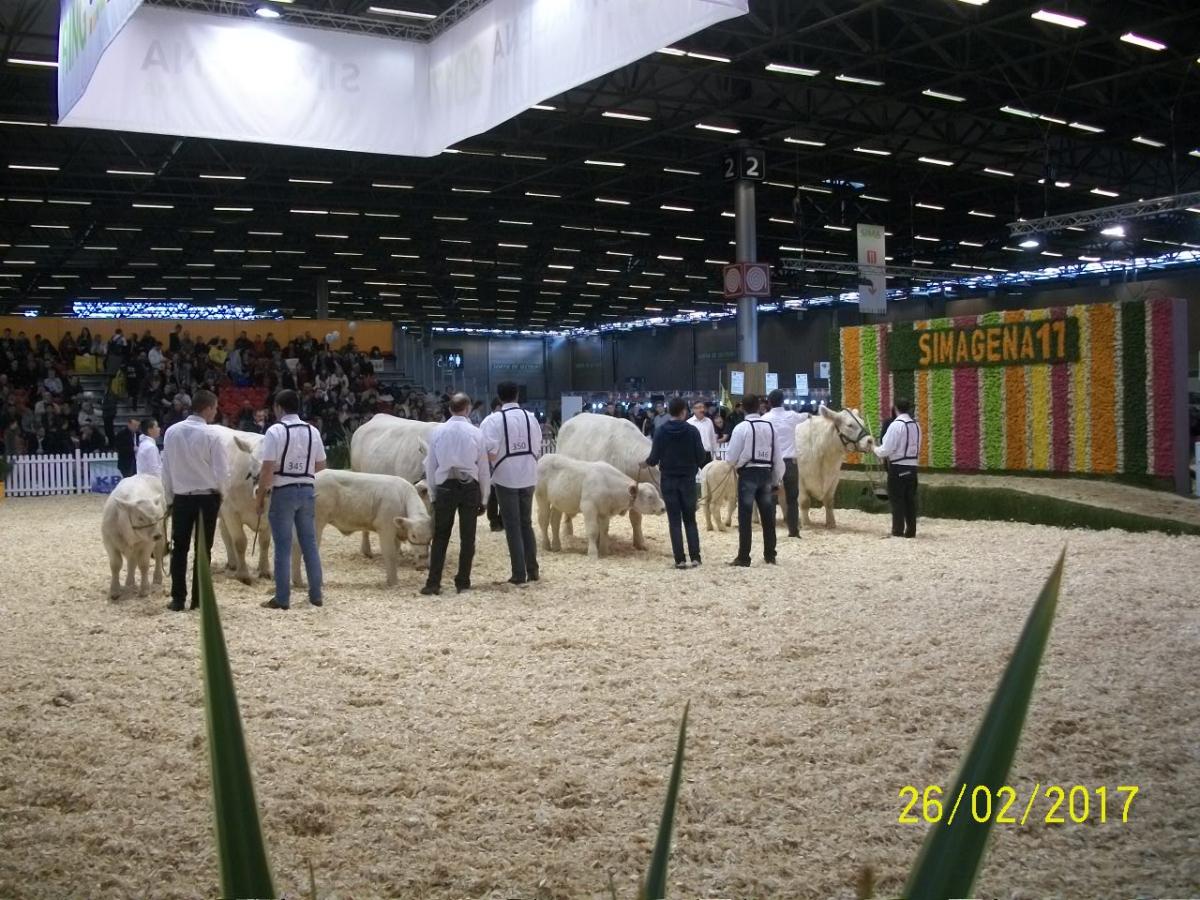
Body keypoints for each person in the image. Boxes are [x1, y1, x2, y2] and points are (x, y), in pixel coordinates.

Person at [256, 389, 326, 610]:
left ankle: (282, 597)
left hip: (283, 492)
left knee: (283, 546)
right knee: (309, 545)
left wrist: (260, 497)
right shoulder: (312, 431)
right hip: (307, 490)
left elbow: (267, 469)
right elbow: (321, 465)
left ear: (278, 407)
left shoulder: (275, 431)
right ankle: (316, 594)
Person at [162, 390, 229, 612]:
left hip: (181, 497)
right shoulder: (213, 435)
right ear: (207, 408)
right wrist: (222, 495)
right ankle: (198, 598)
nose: (216, 412)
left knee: (179, 548)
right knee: (203, 550)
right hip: (207, 498)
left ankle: (178, 598)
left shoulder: (172, 432)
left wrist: (169, 498)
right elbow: (222, 472)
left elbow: (166, 469)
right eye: (215, 408)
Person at [421, 393, 489, 596]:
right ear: (468, 409)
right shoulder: (476, 433)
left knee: (440, 536)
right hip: (469, 487)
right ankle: (463, 581)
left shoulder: (437, 432)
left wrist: (433, 492)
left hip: (445, 486)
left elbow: (430, 466)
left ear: (450, 409)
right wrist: (485, 496)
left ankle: (433, 583)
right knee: (468, 537)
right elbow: (483, 468)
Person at [481, 381, 541, 586]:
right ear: (517, 395)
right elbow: (537, 446)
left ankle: (518, 573)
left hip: (506, 476)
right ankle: (533, 570)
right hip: (529, 474)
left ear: (499, 397)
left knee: (512, 525)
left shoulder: (492, 420)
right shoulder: (531, 417)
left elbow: (489, 453)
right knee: (526, 523)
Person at [645, 397, 709, 569]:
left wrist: (645, 463)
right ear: (683, 412)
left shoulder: (661, 431)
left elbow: (653, 458)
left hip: (668, 481)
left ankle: (679, 559)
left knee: (674, 521)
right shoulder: (692, 431)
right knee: (690, 519)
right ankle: (695, 557)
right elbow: (701, 456)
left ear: (669, 411)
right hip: (688, 480)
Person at [724, 393, 784, 567]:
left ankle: (744, 557)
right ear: (759, 407)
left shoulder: (741, 428)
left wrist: (735, 464)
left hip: (748, 474)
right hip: (766, 474)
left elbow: (731, 457)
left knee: (745, 517)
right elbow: (778, 458)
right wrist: (776, 480)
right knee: (768, 517)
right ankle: (770, 555)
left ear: (742, 408)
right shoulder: (771, 428)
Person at [762, 390, 811, 539]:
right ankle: (793, 531)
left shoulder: (765, 418)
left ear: (769, 402)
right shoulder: (792, 416)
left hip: (772, 462)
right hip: (789, 462)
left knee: (771, 498)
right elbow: (807, 416)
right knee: (792, 498)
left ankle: (770, 531)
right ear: (783, 401)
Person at [874, 398, 922, 539]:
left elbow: (886, 449)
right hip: (912, 467)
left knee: (897, 500)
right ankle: (911, 531)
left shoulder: (895, 425)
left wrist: (874, 448)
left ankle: (898, 531)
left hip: (897, 467)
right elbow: (918, 447)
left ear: (895, 408)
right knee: (910, 501)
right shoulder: (917, 426)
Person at [485, 397, 504, 532]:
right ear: (498, 407)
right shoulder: (489, 421)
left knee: (504, 493)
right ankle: (493, 521)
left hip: (504, 461)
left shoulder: (503, 420)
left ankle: (502, 520)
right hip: (491, 461)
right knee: (493, 494)